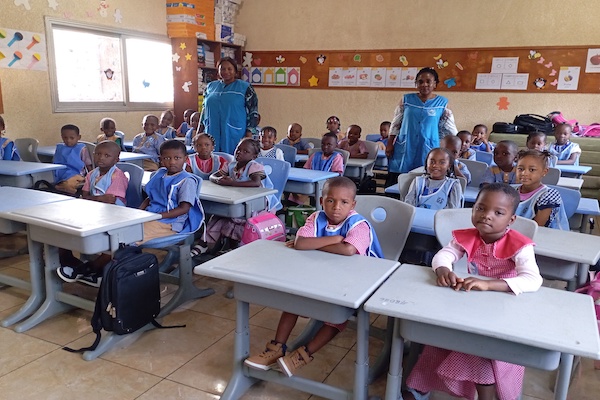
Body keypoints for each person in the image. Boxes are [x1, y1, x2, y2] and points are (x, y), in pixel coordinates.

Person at [405, 183, 542, 400]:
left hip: (503, 311)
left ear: (511, 220)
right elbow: (444, 255)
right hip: (472, 306)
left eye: (498, 213)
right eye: (481, 208)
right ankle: (420, 387)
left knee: (479, 349)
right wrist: (443, 270)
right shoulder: (467, 236)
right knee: (441, 338)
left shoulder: (520, 245)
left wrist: (488, 284)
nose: (487, 216)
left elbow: (533, 280)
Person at [244, 176, 383, 377]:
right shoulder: (316, 217)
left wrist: (315, 244)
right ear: (321, 201)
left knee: (336, 316)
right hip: (325, 275)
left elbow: (348, 250)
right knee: (293, 299)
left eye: (344, 202)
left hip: (359, 283)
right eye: (330, 200)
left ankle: (303, 354)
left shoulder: (359, 225)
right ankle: (277, 348)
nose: (336, 207)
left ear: (353, 205)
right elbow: (301, 243)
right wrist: (335, 240)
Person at [58, 140, 204, 286]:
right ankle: (101, 274)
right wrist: (138, 212)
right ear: (160, 159)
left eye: (177, 158)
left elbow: (184, 208)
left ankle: (86, 269)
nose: (172, 162)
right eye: (167, 158)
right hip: (150, 217)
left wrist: (158, 216)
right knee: (116, 232)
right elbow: (150, 197)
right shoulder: (159, 174)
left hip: (170, 223)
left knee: (123, 239)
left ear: (185, 159)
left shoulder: (186, 181)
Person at [57, 140, 129, 286]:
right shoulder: (91, 174)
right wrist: (98, 198)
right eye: (98, 154)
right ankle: (69, 261)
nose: (101, 158)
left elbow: (110, 200)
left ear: (116, 159)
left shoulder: (117, 176)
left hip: (114, 215)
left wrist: (93, 199)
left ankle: (88, 269)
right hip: (93, 212)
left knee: (114, 244)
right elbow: (85, 196)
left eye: (107, 155)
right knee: (62, 228)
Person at [386, 67, 457, 186]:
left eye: (428, 81)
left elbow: (450, 128)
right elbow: (396, 123)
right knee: (399, 178)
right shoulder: (406, 100)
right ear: (416, 84)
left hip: (429, 145)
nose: (424, 84)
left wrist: (455, 147)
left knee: (424, 176)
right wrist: (389, 143)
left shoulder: (442, 103)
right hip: (406, 144)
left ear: (435, 84)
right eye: (420, 82)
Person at [204, 138, 277, 251]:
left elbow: (256, 183)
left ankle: (238, 246)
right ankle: (212, 245)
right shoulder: (231, 165)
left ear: (254, 156)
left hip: (257, 202)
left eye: (245, 151)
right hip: (238, 198)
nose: (239, 153)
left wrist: (232, 183)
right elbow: (213, 176)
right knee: (219, 215)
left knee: (238, 220)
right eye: (238, 149)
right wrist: (218, 180)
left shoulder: (254, 166)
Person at [201, 57, 259, 154]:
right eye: (222, 69)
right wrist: (200, 131)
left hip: (235, 133)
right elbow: (204, 111)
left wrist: (249, 135)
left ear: (235, 71)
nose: (226, 71)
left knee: (233, 158)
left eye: (229, 69)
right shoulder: (210, 87)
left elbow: (253, 113)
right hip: (211, 131)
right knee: (212, 159)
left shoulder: (245, 87)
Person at [515, 149, 569, 230]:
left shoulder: (548, 195)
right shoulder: (512, 191)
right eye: (520, 169)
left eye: (532, 170)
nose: (524, 173)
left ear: (544, 172)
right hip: (519, 231)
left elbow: (538, 226)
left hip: (549, 235)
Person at [53, 124, 93, 194]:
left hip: (77, 174)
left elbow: (88, 164)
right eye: (65, 138)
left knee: (69, 182)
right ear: (61, 136)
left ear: (78, 137)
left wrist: (91, 177)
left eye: (72, 138)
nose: (68, 140)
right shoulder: (60, 147)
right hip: (62, 173)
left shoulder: (82, 149)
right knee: (62, 181)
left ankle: (68, 189)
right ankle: (65, 188)